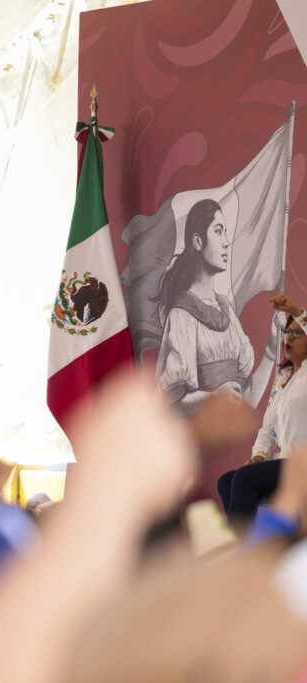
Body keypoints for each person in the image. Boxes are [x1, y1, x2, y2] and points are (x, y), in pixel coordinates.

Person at [155, 198, 282, 411]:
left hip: (233, 432)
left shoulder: (227, 311)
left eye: (225, 232)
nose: (226, 242)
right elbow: (169, 405)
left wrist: (271, 348)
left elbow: (246, 403)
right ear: (198, 242)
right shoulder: (181, 316)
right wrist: (212, 398)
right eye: (218, 231)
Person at [217, 295, 307, 524]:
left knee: (245, 479)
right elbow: (267, 427)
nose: (289, 337)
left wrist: (293, 309)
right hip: (284, 461)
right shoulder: (282, 378)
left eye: (298, 333)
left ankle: (244, 546)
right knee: (227, 481)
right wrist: (258, 456)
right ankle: (249, 540)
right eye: (287, 332)